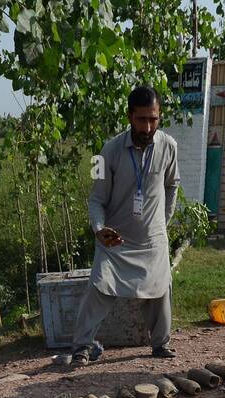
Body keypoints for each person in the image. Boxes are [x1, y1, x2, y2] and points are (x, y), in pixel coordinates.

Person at [61, 85, 180, 366]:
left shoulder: (169, 147)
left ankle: (161, 344)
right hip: (115, 243)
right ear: (129, 116)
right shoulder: (106, 151)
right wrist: (99, 229)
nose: (149, 126)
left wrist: (161, 225)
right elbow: (95, 199)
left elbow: (173, 186)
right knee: (98, 289)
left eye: (154, 119)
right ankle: (81, 347)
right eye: (142, 119)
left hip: (152, 241)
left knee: (161, 290)